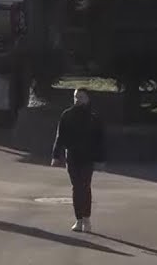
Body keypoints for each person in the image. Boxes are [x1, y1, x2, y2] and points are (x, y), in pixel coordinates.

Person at [52, 89, 107, 233]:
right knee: (76, 187)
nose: (78, 99)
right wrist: (56, 155)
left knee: (85, 186)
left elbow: (100, 141)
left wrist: (100, 160)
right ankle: (78, 220)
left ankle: (87, 219)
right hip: (72, 156)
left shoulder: (94, 118)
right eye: (76, 97)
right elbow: (60, 136)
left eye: (81, 97)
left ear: (88, 99)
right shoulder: (67, 115)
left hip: (88, 157)